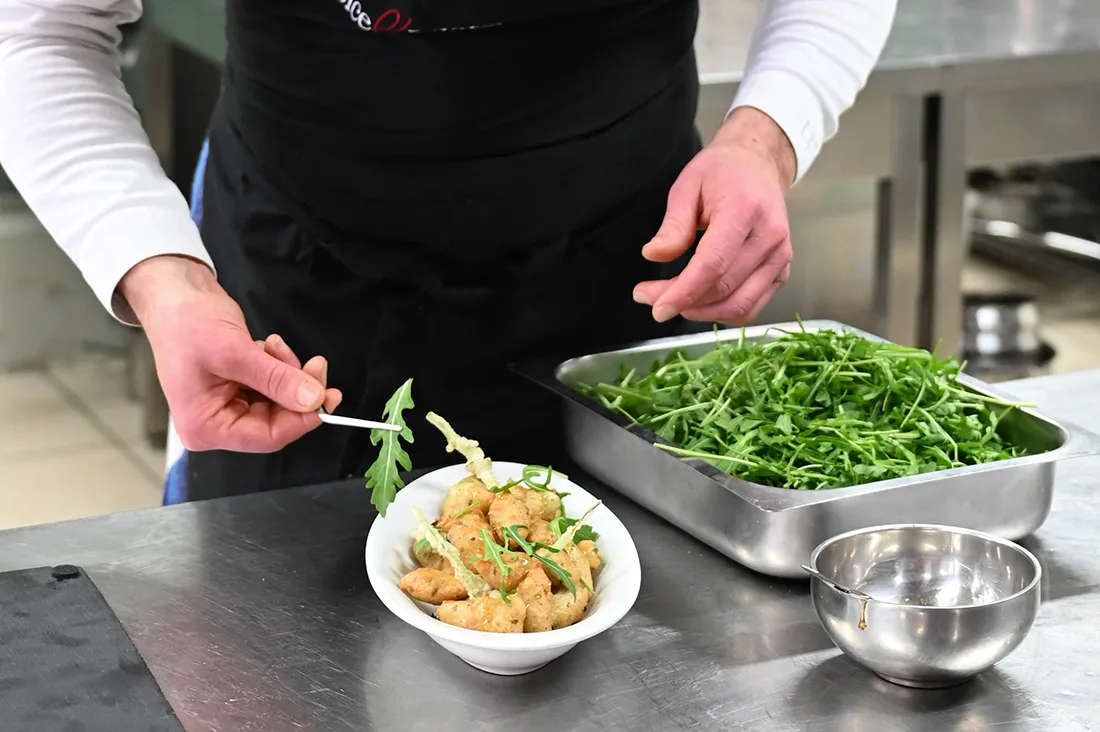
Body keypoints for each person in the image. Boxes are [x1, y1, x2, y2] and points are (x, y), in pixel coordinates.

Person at [0, 0, 897, 502]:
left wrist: (765, 136)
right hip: (295, 293)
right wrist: (162, 279)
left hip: (623, 274)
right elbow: (38, 28)